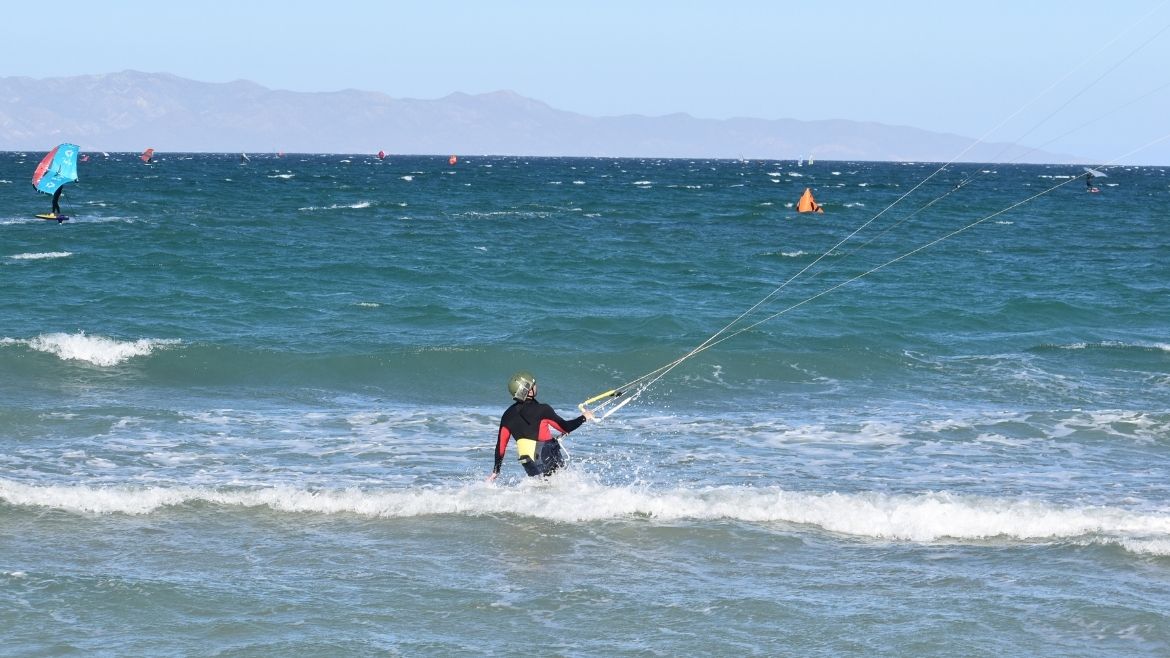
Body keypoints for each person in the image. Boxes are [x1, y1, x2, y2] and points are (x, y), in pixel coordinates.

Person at [488, 371, 593, 480]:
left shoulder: (507, 415)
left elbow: (500, 447)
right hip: (545, 458)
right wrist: (584, 417)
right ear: (528, 391)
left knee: (541, 489)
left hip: (528, 463)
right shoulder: (543, 410)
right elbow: (565, 427)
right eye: (533, 385)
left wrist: (496, 470)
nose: (536, 386)